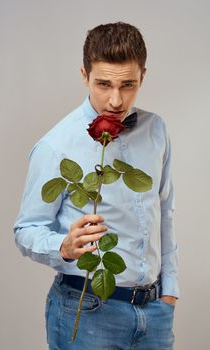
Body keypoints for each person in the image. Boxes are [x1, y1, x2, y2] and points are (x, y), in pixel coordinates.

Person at [13, 22, 179, 350]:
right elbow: (26, 230)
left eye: (128, 85)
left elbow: (164, 211)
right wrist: (62, 246)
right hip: (88, 311)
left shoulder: (156, 129)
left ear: (142, 76)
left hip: (155, 313)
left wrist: (170, 291)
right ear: (84, 75)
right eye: (103, 84)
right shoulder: (56, 146)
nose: (115, 100)